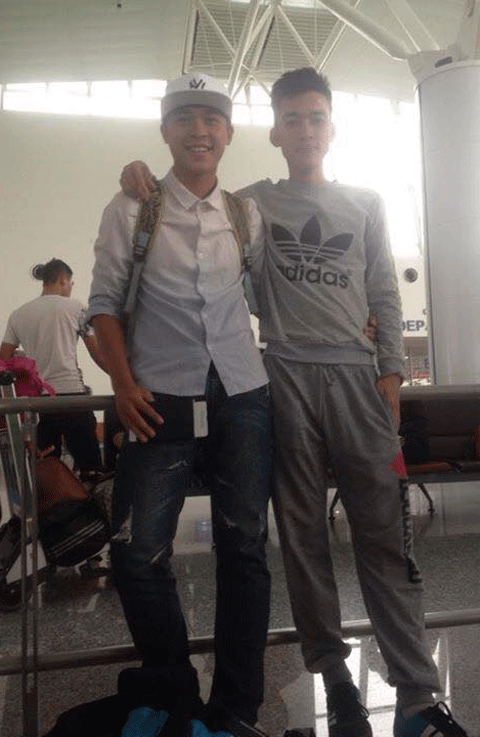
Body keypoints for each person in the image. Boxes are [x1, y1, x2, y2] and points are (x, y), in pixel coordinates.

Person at [119, 68, 468, 737]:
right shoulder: (249, 204)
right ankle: (336, 681)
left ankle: (417, 696)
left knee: (383, 538)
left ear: (331, 127)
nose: (305, 130)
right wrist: (139, 177)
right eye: (292, 119)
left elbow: (384, 289)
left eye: (316, 117)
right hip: (282, 379)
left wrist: (391, 372)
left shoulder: (365, 202)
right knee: (303, 539)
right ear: (275, 131)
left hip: (358, 382)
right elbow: (194, 218)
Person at [87, 73, 272, 737]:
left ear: (229, 133)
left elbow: (267, 296)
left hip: (242, 392)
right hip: (156, 394)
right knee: (138, 552)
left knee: (244, 546)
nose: (200, 130)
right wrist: (121, 383)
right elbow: (103, 304)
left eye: (212, 119)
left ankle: (236, 708)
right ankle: (173, 694)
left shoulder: (246, 214)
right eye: (185, 118)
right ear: (165, 131)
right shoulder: (132, 208)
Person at [0, 258, 106, 477]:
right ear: (62, 279)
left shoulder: (18, 314)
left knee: (45, 471)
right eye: (71, 284)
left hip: (37, 402)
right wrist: (124, 379)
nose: (70, 288)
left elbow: (4, 359)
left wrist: (25, 358)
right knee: (91, 470)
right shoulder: (77, 308)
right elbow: (98, 355)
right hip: (71, 398)